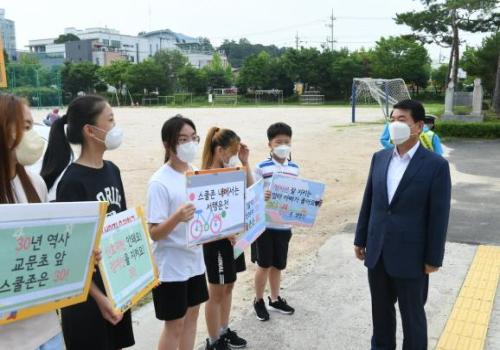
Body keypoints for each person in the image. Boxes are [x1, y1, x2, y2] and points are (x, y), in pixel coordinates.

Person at [354, 99, 452, 350]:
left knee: (413, 319)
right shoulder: (380, 158)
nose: (395, 124)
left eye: (402, 120)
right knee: (381, 315)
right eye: (392, 119)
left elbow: (439, 216)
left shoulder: (435, 165)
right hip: (378, 252)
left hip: (412, 257)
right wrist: (360, 237)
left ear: (418, 126)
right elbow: (371, 200)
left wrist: (433, 258)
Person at [40, 95, 135, 350]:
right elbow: (70, 256)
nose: (116, 126)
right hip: (86, 298)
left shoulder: (112, 170)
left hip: (113, 285)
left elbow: (123, 227)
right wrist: (99, 297)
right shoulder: (72, 181)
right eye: (111, 120)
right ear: (90, 131)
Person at [0, 94, 65, 350]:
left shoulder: (36, 184)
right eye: (25, 127)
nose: (33, 133)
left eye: (32, 124)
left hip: (47, 330)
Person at [146, 115, 208, 350]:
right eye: (182, 139)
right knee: (175, 326)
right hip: (171, 267)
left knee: (192, 319)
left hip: (195, 260)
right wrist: (177, 217)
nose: (190, 144)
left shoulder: (195, 173)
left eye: (193, 138)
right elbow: (154, 233)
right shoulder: (159, 183)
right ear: (167, 144)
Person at [201, 127, 253, 350]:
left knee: (230, 286)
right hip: (217, 243)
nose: (233, 156)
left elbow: (251, 190)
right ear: (219, 150)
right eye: (232, 152)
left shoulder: (232, 170)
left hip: (235, 240)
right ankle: (213, 340)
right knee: (216, 292)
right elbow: (202, 221)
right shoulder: (203, 176)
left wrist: (245, 162)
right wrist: (225, 232)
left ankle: (224, 328)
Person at [251, 122, 298, 321]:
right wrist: (263, 194)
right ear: (269, 144)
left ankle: (275, 298)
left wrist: (312, 200)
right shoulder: (261, 167)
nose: (283, 145)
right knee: (264, 265)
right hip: (265, 226)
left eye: (286, 142)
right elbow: (251, 195)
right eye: (278, 142)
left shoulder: (294, 167)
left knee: (278, 265)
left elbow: (297, 193)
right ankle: (258, 300)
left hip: (284, 225)